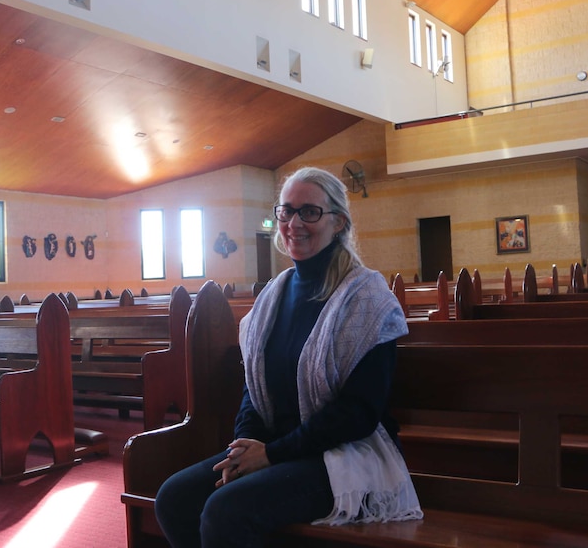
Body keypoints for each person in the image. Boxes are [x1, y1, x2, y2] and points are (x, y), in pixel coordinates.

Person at [154, 166, 422, 547]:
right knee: (174, 499)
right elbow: (255, 386)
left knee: (225, 511)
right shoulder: (273, 295)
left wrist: (272, 454)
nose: (295, 222)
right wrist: (244, 446)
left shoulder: (367, 299)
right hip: (278, 451)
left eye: (309, 212)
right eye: (286, 211)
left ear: (339, 222)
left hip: (342, 457)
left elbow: (359, 413)